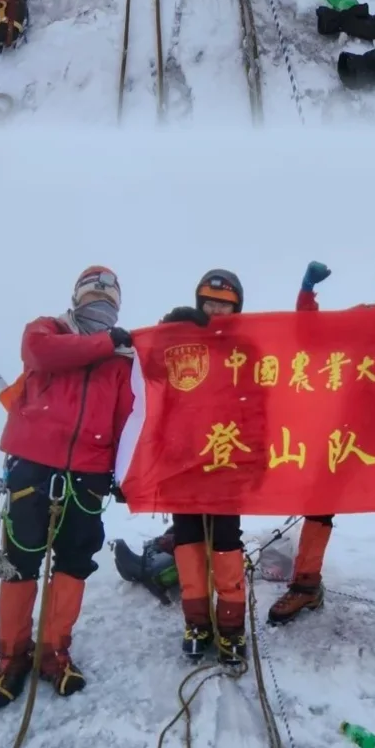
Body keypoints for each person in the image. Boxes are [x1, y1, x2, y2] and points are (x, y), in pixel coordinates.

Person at [269, 237, 375, 656]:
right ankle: (306, 585)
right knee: (320, 501)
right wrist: (306, 293)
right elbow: (313, 337)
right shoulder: (366, 318)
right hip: (352, 430)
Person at [0, 266, 133, 708]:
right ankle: (11, 658)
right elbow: (41, 353)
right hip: (33, 468)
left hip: (88, 474)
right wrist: (108, 343)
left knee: (73, 562)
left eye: (109, 296)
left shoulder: (121, 362)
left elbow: (125, 418)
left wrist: (124, 474)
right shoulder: (48, 330)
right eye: (94, 293)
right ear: (78, 297)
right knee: (20, 562)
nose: (101, 301)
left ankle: (53, 653)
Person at [161, 269, 248, 664]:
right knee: (188, 544)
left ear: (237, 309)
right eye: (209, 304)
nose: (215, 311)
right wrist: (168, 329)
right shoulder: (180, 346)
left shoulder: (249, 352)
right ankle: (196, 621)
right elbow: (149, 375)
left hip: (228, 463)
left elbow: (263, 408)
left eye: (224, 305)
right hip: (185, 465)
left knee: (227, 546)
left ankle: (230, 628)